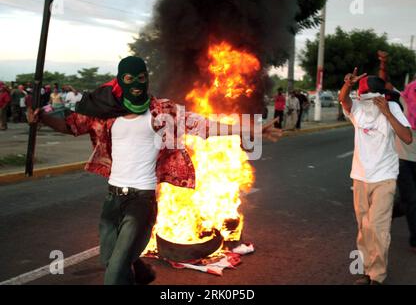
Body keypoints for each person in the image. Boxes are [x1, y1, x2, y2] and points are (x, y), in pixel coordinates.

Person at [28, 56, 281, 285]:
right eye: (129, 79)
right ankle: (143, 273)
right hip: (113, 198)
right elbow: (69, 126)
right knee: (108, 259)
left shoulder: (161, 111)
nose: (136, 83)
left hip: (142, 199)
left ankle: (131, 271)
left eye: (141, 78)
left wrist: (253, 130)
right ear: (120, 80)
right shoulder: (106, 113)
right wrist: (41, 118)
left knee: (114, 273)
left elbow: (203, 125)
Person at [339, 68, 412, 285]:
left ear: (380, 96)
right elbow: (343, 100)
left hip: (384, 177)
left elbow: (407, 137)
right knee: (364, 227)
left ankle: (377, 276)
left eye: (371, 96)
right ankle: (367, 270)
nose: (367, 100)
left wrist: (388, 114)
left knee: (378, 228)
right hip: (360, 176)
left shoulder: (392, 108)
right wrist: (347, 85)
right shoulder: (358, 107)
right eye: (363, 95)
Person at [396, 75, 416, 253]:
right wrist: (383, 64)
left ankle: (390, 212)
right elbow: (383, 84)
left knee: (407, 201)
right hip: (403, 157)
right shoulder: (404, 98)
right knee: (411, 199)